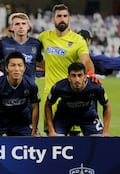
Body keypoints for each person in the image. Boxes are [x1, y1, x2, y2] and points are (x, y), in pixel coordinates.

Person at [37, 3, 96, 135]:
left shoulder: (78, 40)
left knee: (74, 136)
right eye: (59, 16)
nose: (62, 19)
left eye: (65, 16)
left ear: (69, 19)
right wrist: (43, 64)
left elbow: (86, 60)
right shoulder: (44, 37)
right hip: (51, 94)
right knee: (52, 136)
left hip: (72, 94)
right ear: (53, 19)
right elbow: (32, 52)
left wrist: (91, 75)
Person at [45, 62, 111, 136]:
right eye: (73, 76)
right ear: (69, 77)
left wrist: (105, 132)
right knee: (55, 140)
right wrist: (51, 130)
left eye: (80, 75)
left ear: (85, 77)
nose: (77, 79)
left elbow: (107, 106)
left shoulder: (95, 87)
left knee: (100, 140)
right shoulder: (59, 87)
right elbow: (48, 105)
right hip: (64, 116)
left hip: (87, 115)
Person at [0, 51, 40, 136]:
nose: (16, 69)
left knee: (34, 142)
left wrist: (34, 130)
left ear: (24, 68)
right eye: (13, 65)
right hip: (0, 121)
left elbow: (35, 107)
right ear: (6, 68)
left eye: (20, 65)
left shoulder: (31, 84)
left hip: (22, 121)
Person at [0, 12, 43, 81]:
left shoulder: (36, 44)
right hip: (9, 88)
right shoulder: (3, 43)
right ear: (11, 27)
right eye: (17, 24)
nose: (21, 26)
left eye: (24, 23)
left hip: (29, 88)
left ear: (28, 27)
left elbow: (40, 61)